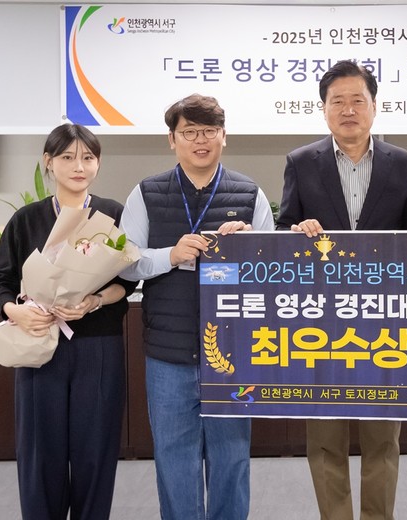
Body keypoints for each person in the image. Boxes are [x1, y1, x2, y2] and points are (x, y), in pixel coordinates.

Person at [276, 60, 407, 520]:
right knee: (324, 438)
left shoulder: (403, 163)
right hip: (321, 324)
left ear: (374, 106)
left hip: (384, 324)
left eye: (358, 100)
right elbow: (282, 231)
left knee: (383, 437)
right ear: (324, 109)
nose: (348, 109)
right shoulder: (301, 162)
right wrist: (297, 231)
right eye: (337, 101)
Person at [119, 93, 274, 520]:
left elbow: (272, 274)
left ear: (224, 136)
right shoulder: (146, 193)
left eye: (209, 131)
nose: (200, 140)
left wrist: (248, 249)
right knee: (174, 460)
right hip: (168, 354)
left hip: (233, 355)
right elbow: (125, 263)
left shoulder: (250, 194)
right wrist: (170, 255)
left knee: (232, 458)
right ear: (172, 139)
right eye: (189, 132)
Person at [0, 123, 136, 520]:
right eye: (67, 157)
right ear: (48, 162)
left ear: (98, 163)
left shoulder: (113, 214)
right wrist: (15, 311)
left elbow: (127, 282)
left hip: (98, 347)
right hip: (39, 349)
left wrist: (93, 301)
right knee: (40, 453)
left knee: (95, 452)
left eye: (87, 157)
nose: (78, 166)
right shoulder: (26, 219)